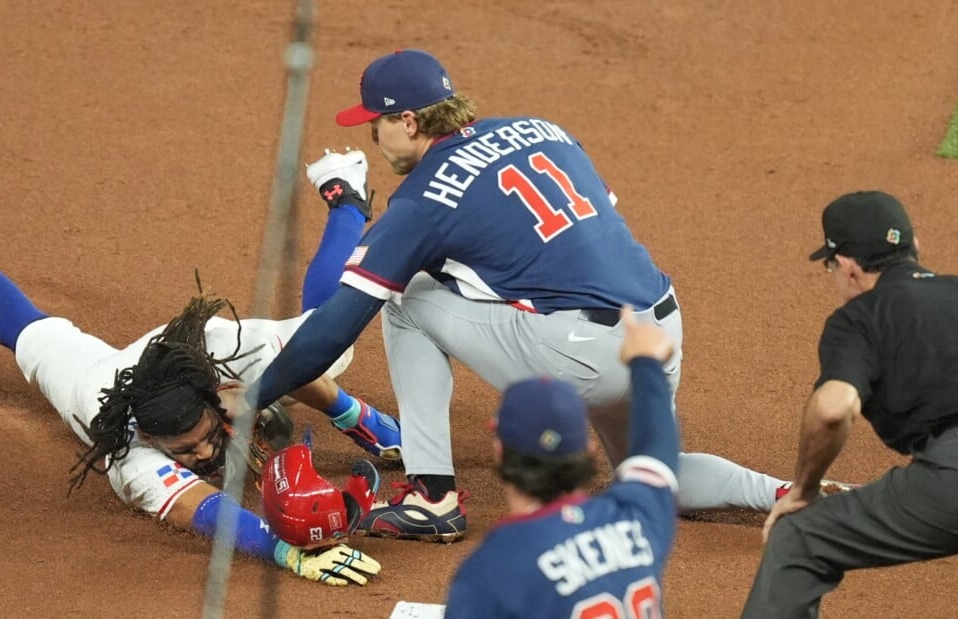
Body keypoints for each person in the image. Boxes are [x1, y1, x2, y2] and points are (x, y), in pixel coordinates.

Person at [235, 48, 845, 542]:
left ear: (410, 121)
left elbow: (332, 329)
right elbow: (582, 230)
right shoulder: (542, 129)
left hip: (581, 354)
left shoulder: (422, 199)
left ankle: (432, 497)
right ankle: (791, 492)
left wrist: (253, 396)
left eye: (376, 122)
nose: (373, 135)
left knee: (405, 301)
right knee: (652, 472)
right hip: (657, 332)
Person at [0, 180, 386, 586]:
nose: (204, 454)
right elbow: (203, 510)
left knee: (329, 328)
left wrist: (359, 420)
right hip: (101, 381)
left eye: (208, 435)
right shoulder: (122, 446)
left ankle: (344, 193)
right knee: (27, 331)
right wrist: (280, 549)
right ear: (152, 441)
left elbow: (300, 361)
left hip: (181, 356)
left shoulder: (216, 346)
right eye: (184, 451)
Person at [741, 191, 958, 618]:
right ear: (914, 249)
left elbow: (832, 409)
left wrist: (804, 489)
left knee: (799, 538)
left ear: (848, 267)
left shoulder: (859, 318)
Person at [445, 307, 678, 618]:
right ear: (590, 450)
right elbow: (658, 446)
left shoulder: (492, 570)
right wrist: (647, 362)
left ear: (500, 451)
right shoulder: (634, 518)